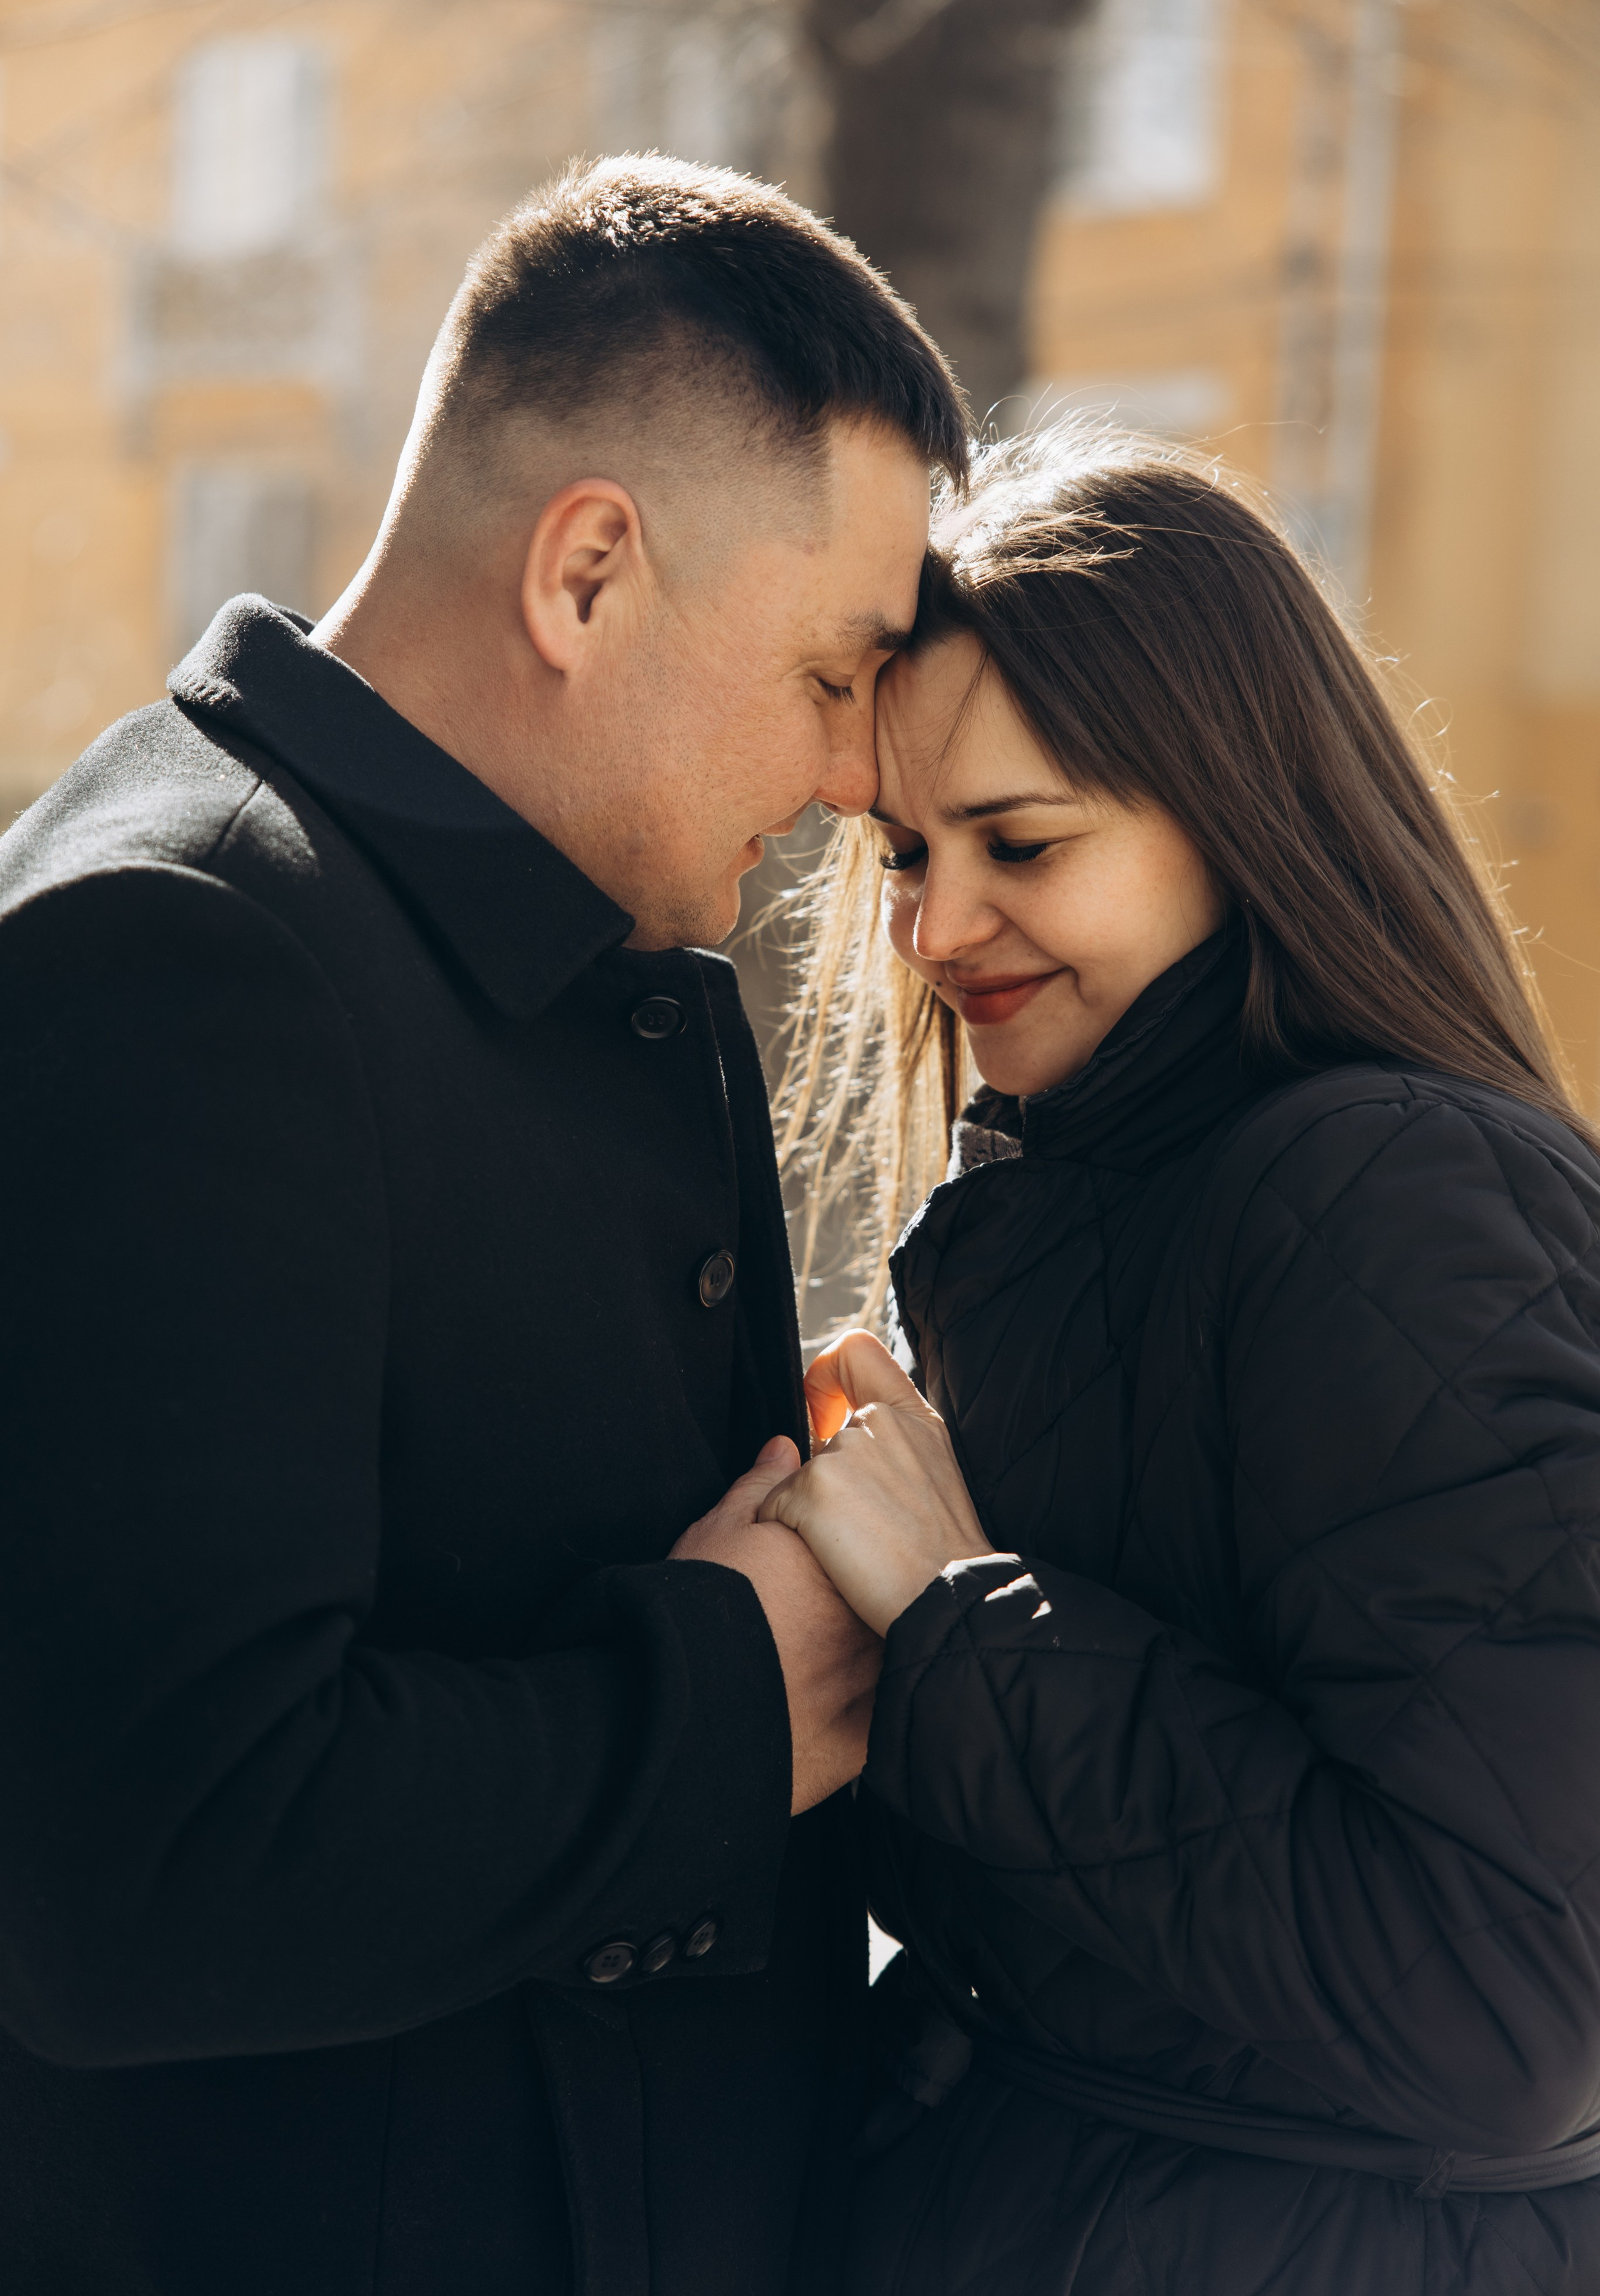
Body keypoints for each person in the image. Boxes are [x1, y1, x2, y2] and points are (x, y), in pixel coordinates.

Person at [0, 155, 968, 2295]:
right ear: (591, 572)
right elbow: (140, 1866)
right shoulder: (176, 954)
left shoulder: (563, 952)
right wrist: (727, 1695)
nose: (846, 775)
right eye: (830, 672)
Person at [757, 429, 1600, 2293]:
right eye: (909, 851)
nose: (934, 925)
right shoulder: (1104, 1199)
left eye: (1024, 843)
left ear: (1241, 809)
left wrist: (960, 1616)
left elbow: (1510, 2008)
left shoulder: (1392, 1193)